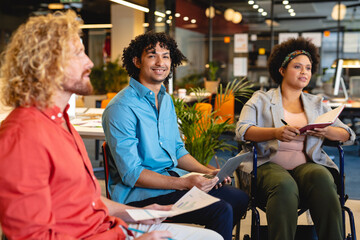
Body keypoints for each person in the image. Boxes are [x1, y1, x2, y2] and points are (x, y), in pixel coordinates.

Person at [0, 11, 223, 240]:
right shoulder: (22, 135)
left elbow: (90, 199)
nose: (90, 62)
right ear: (46, 64)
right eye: (79, 54)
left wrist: (140, 213)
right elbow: (32, 236)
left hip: (111, 228)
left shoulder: (63, 124)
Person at [102, 31, 249, 240]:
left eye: (166, 55)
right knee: (221, 209)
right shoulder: (121, 107)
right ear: (136, 61)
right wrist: (186, 183)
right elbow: (132, 174)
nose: (160, 61)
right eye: (152, 55)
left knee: (239, 199)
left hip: (171, 182)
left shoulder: (166, 100)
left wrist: (208, 172)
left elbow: (177, 150)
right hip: (139, 195)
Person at [236, 37, 356, 240]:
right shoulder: (261, 99)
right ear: (282, 70)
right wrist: (275, 132)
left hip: (307, 164)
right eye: (298, 66)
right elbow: (242, 130)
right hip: (267, 163)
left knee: (323, 180)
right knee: (283, 185)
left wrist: (325, 132)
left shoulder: (317, 103)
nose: (304, 72)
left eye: (308, 68)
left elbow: (347, 134)